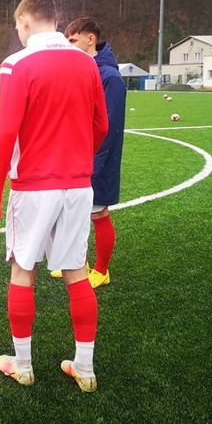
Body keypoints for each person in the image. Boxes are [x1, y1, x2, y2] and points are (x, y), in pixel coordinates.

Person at [0, 0, 108, 392]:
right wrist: (78, 159)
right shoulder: (87, 63)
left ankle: (22, 365)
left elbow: (5, 133)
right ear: (56, 20)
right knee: (76, 272)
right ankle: (85, 368)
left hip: (34, 187)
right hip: (78, 185)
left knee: (24, 271)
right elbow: (101, 126)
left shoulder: (16, 64)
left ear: (24, 22)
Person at [56, 17, 126, 289]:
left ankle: (102, 270)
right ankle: (80, 264)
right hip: (76, 156)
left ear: (90, 39)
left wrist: (95, 163)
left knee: (98, 213)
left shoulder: (109, 76)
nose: (69, 45)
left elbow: (110, 126)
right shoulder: (79, 70)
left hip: (97, 158)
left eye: (73, 40)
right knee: (76, 213)